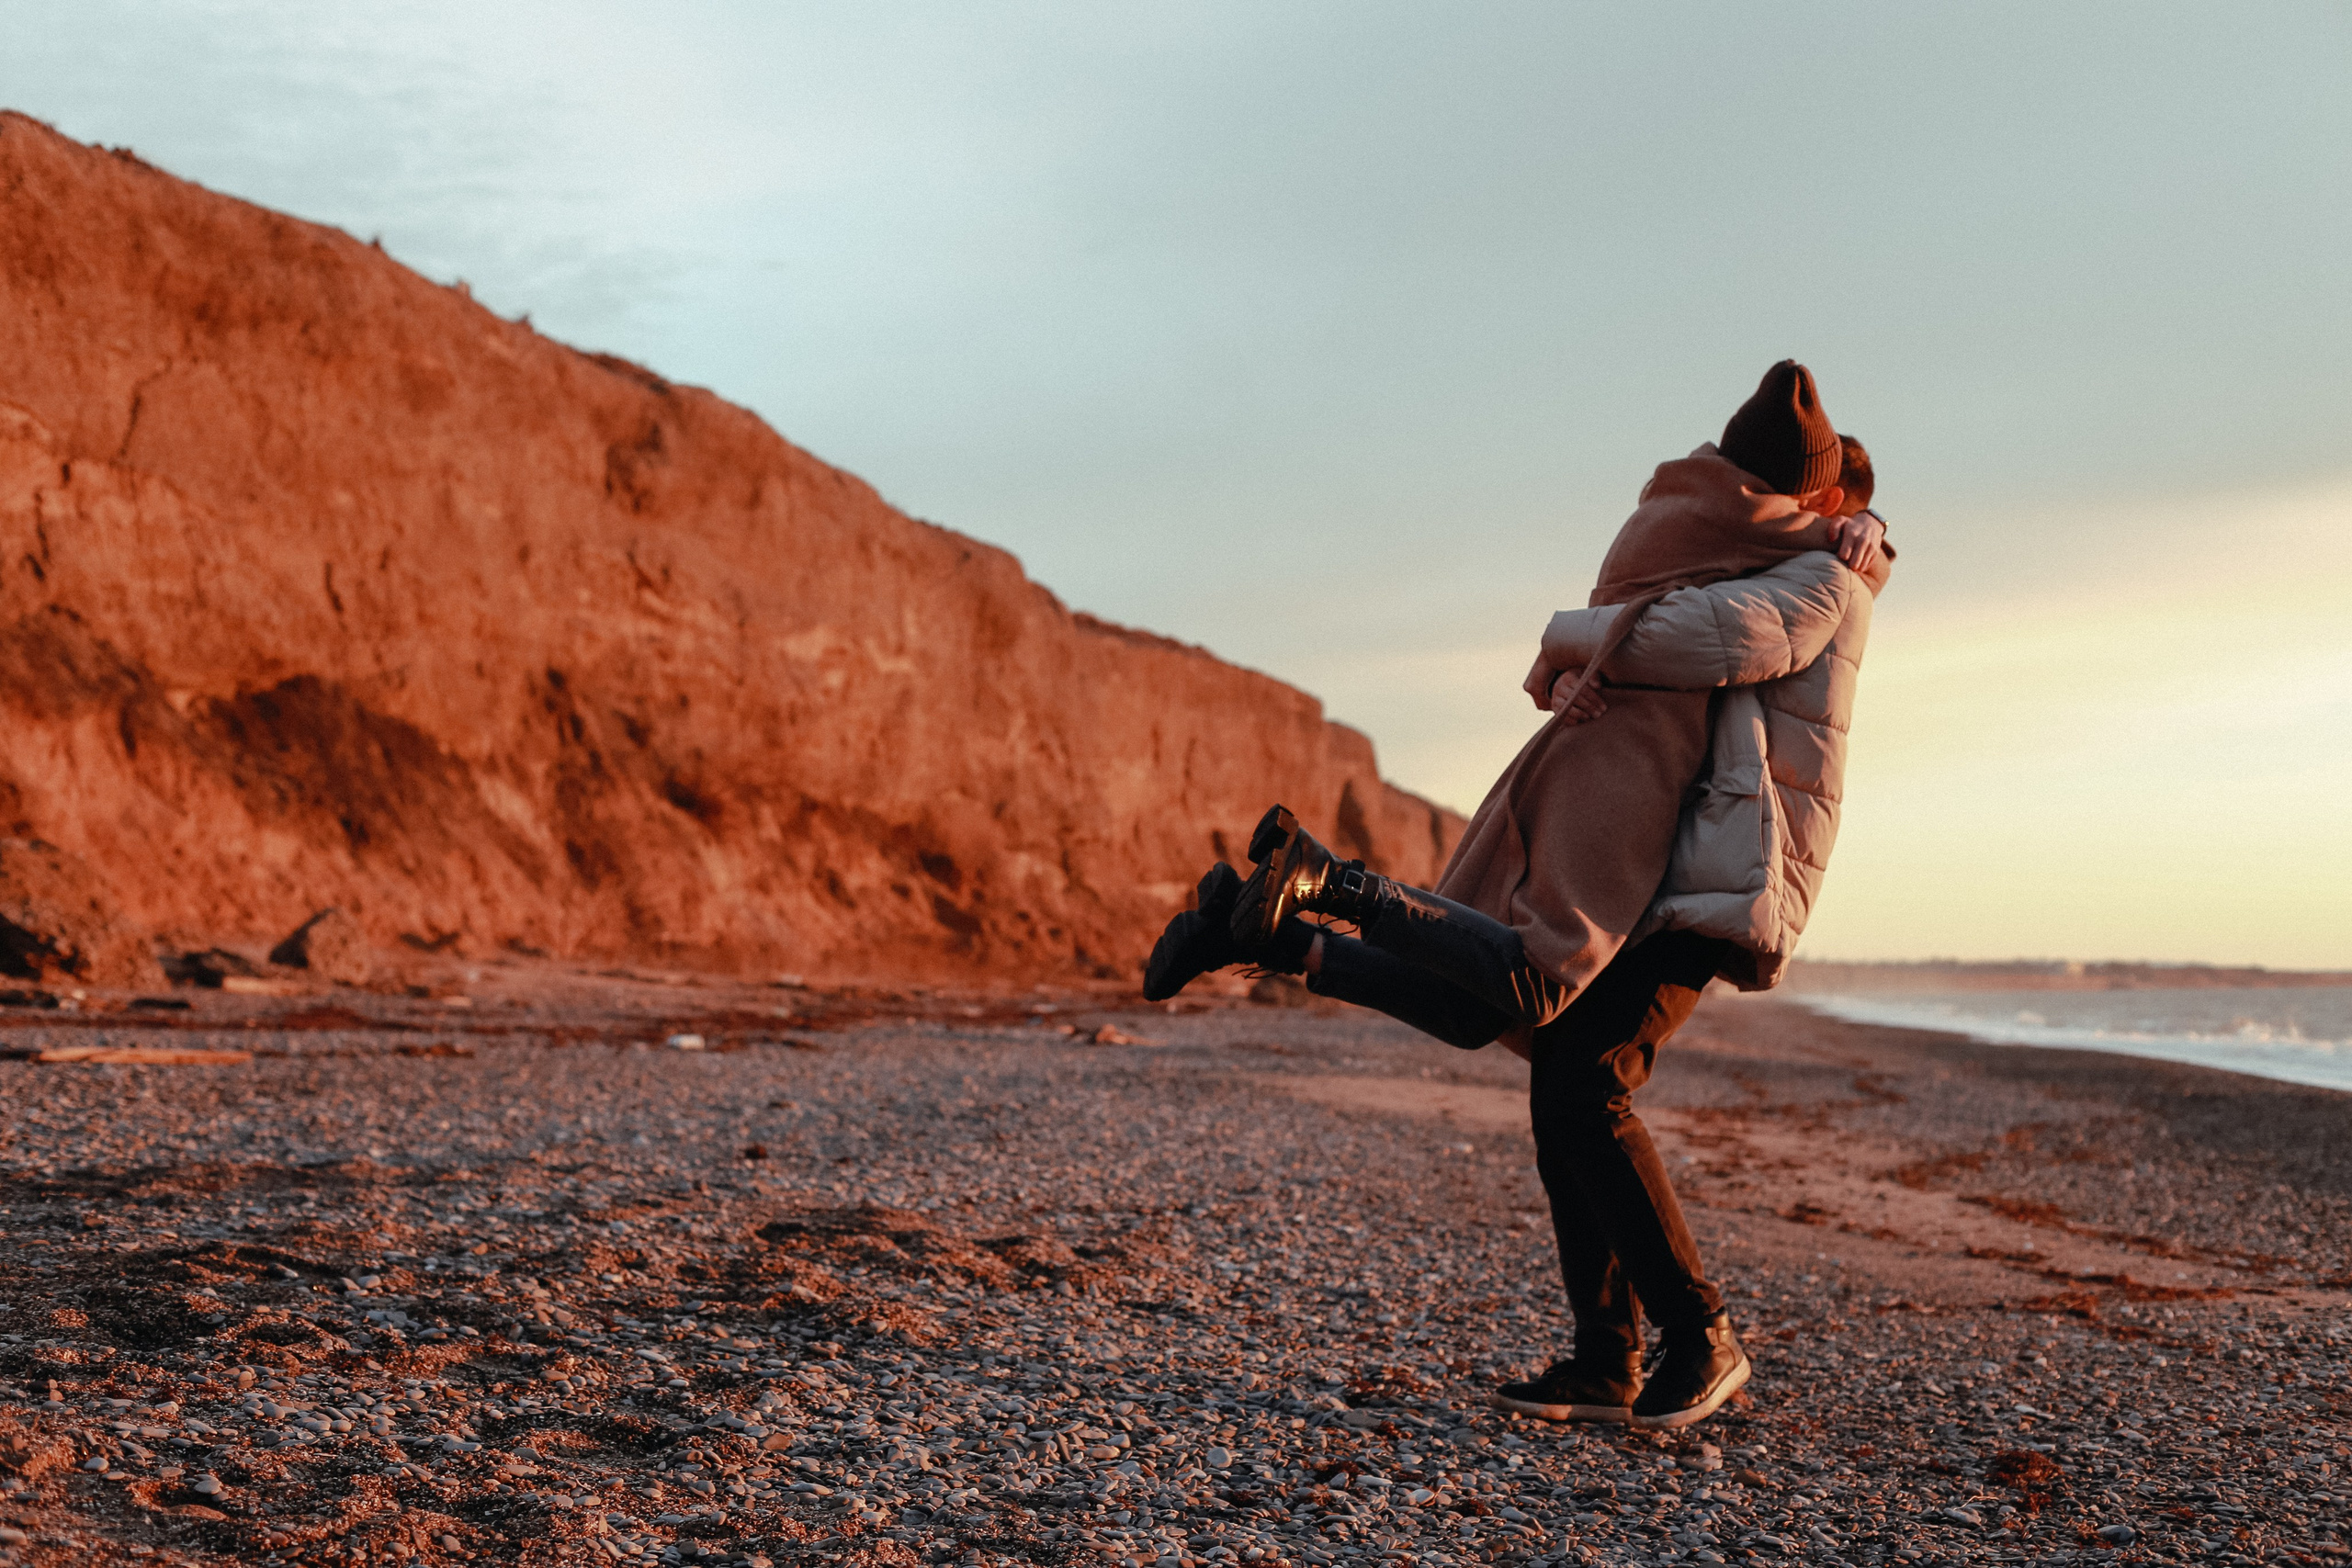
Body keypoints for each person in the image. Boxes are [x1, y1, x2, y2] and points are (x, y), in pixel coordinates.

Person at [1144, 365, 1893, 1429]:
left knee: (1576, 1076)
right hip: (1668, 863)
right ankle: (1606, 1359)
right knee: (1555, 1076)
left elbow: (1697, 642)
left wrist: (1574, 638)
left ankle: (1699, 1337)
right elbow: (1685, 629)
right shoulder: (1777, 556)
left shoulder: (1824, 577)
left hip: (1721, 879)